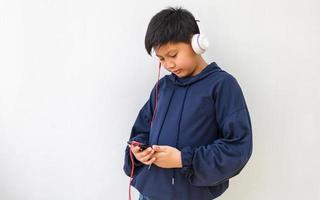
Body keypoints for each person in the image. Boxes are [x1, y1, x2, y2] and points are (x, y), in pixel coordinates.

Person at [123, 6, 253, 200]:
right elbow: (142, 130)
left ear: (196, 43)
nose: (169, 65)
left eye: (173, 55)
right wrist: (138, 151)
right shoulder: (163, 87)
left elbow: (237, 147)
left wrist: (183, 160)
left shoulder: (222, 85)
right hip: (149, 193)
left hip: (190, 195)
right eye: (161, 59)